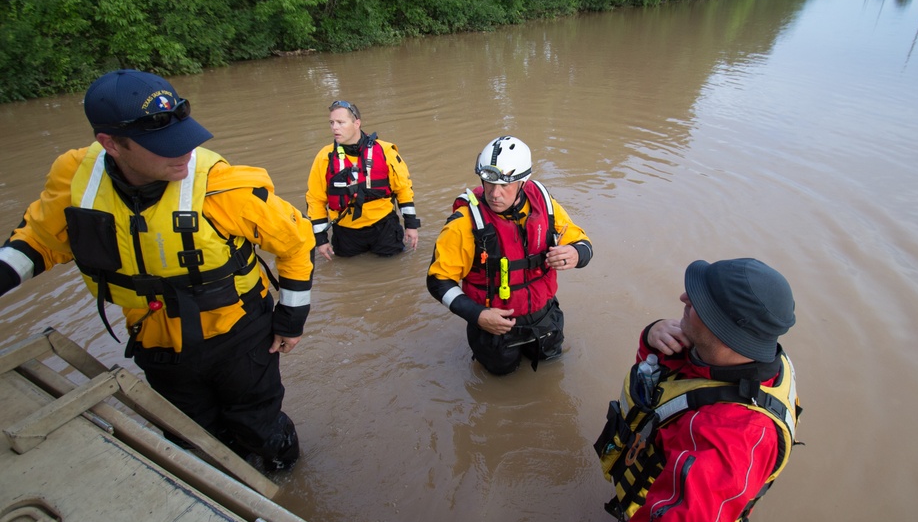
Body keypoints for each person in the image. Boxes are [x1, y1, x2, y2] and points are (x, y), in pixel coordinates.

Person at [0, 69, 314, 472]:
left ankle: (286, 483)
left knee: (260, 426)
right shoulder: (75, 179)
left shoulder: (221, 186)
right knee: (190, 434)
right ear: (110, 143)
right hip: (157, 341)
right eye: (164, 146)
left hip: (239, 336)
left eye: (184, 137)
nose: (184, 153)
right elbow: (39, 241)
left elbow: (296, 241)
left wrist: (290, 321)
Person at [588, 258, 801, 522]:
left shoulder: (735, 437)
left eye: (700, 302)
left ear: (724, 330)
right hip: (654, 480)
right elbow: (660, 390)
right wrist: (651, 338)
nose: (684, 298)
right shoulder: (736, 354)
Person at [427, 136, 593, 375]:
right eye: (488, 183)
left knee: (553, 368)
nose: (495, 194)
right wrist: (478, 315)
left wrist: (577, 253)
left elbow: (583, 242)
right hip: (494, 327)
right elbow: (438, 281)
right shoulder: (463, 224)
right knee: (500, 378)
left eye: (505, 186)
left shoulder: (544, 205)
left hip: (545, 317)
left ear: (524, 183)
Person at [305, 100, 420, 259]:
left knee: (393, 266)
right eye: (331, 123)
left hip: (383, 227)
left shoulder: (385, 151)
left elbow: (403, 189)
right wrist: (321, 239)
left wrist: (411, 225)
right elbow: (315, 199)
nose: (334, 127)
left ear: (356, 123)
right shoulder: (324, 157)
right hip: (345, 233)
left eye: (340, 122)